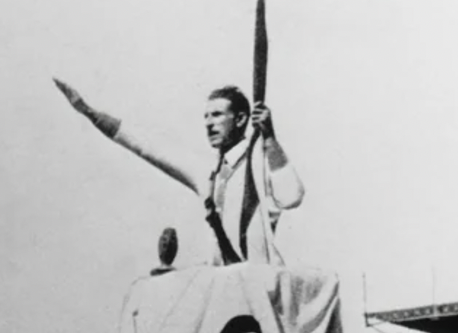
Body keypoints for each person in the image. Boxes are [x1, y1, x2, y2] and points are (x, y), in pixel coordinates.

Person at [56, 81, 304, 265]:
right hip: (226, 289)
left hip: (265, 290)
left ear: (240, 119)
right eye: (206, 116)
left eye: (217, 115)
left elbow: (291, 196)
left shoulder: (260, 159)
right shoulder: (207, 172)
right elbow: (145, 146)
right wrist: (90, 113)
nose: (209, 123)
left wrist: (270, 140)